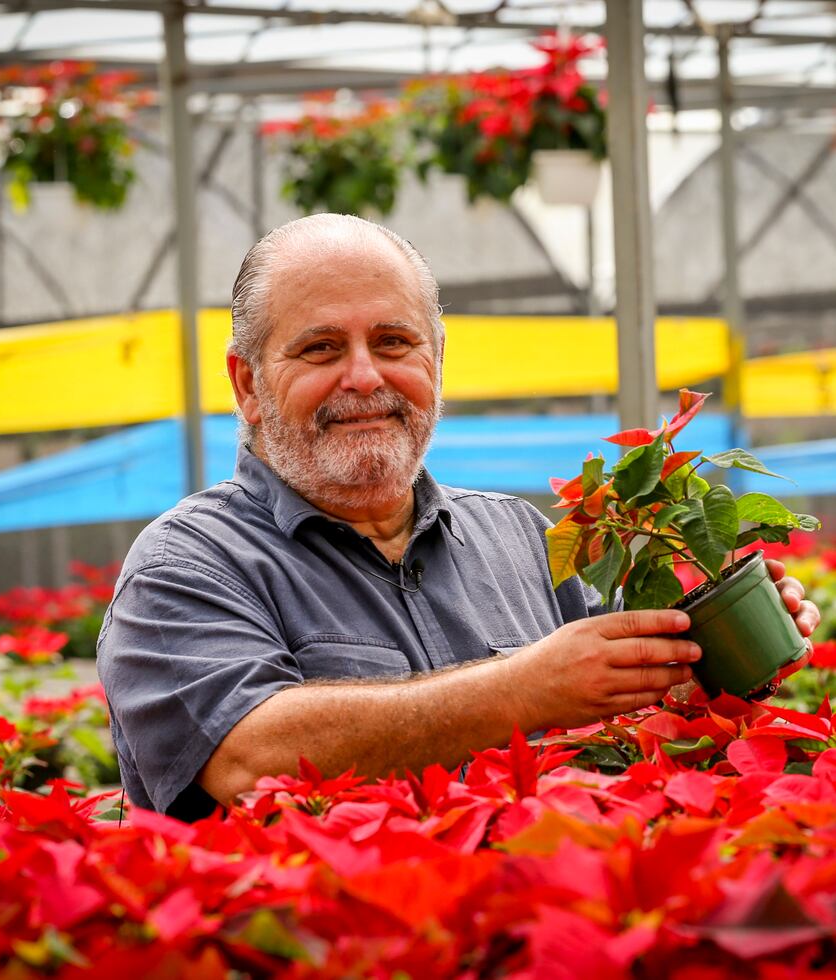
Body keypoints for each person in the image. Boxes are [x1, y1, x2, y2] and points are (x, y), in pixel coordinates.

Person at [97, 213, 819, 822]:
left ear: (437, 359)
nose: (364, 377)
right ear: (248, 383)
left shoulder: (530, 539)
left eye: (392, 342)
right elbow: (247, 756)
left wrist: (706, 665)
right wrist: (524, 688)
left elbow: (628, 731)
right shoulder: (185, 564)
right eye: (320, 348)